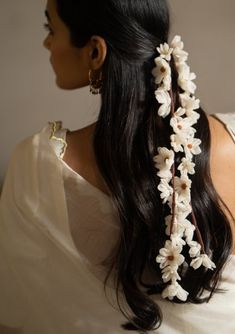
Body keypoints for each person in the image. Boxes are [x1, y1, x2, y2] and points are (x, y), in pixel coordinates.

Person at [0, 0, 234, 333]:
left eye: (51, 29)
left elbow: (18, 312)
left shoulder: (37, 166)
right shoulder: (231, 142)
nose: (46, 43)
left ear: (95, 51)